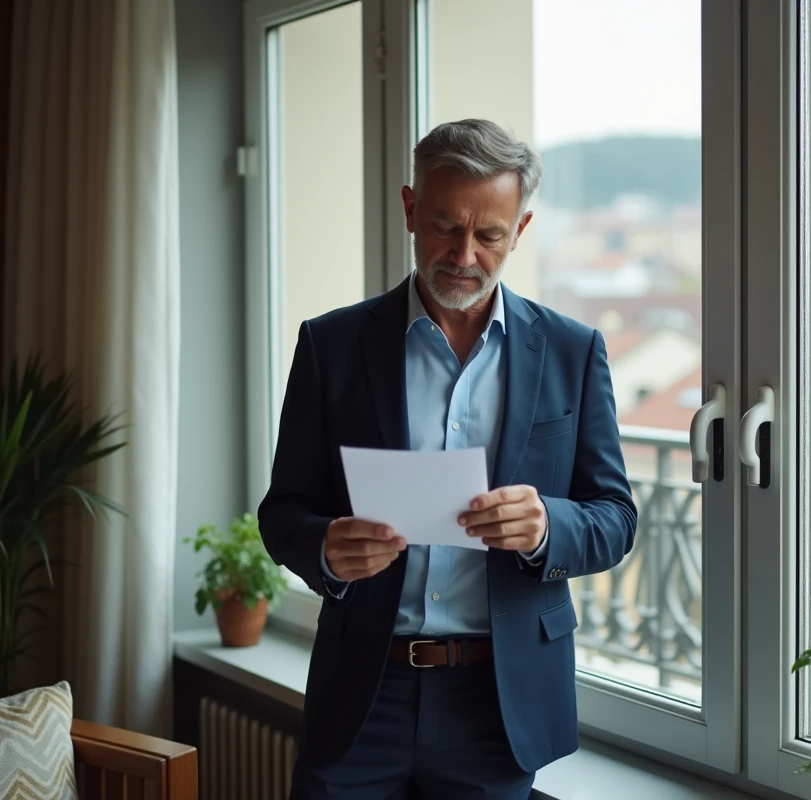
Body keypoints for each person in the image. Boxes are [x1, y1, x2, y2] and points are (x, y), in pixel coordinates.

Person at [259, 118, 637, 799]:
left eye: (489, 234)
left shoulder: (572, 352)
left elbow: (615, 519)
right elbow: (282, 512)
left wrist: (547, 525)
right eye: (443, 226)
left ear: (520, 230)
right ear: (410, 209)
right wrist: (325, 548)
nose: (463, 253)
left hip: (497, 702)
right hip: (362, 697)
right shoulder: (331, 345)